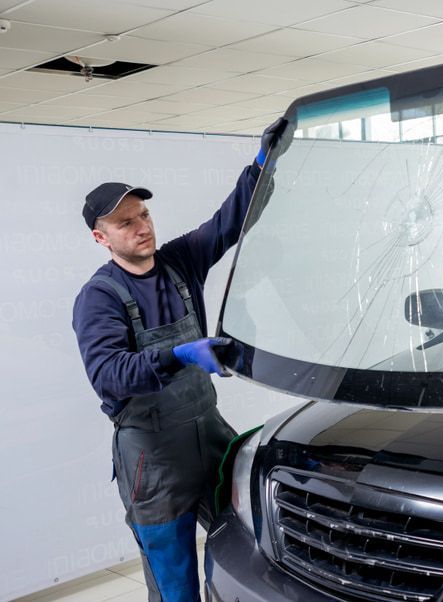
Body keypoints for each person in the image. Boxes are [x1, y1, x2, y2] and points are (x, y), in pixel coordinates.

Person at [72, 117, 287, 602]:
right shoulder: (99, 298)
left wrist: (260, 165)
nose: (141, 227)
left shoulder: (179, 261)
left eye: (143, 215)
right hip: (152, 455)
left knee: (245, 551)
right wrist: (180, 354)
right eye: (125, 223)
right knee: (175, 585)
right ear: (101, 238)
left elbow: (229, 222)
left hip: (209, 434)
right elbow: (109, 375)